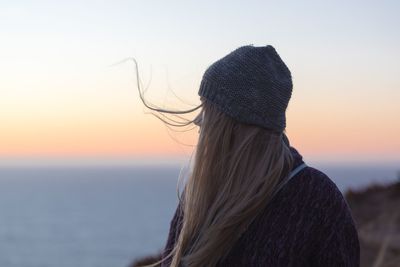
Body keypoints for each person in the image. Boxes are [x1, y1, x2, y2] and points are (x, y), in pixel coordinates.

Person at [134, 45, 360, 267]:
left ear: (236, 126)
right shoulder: (199, 192)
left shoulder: (318, 201)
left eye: (208, 110)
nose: (198, 120)